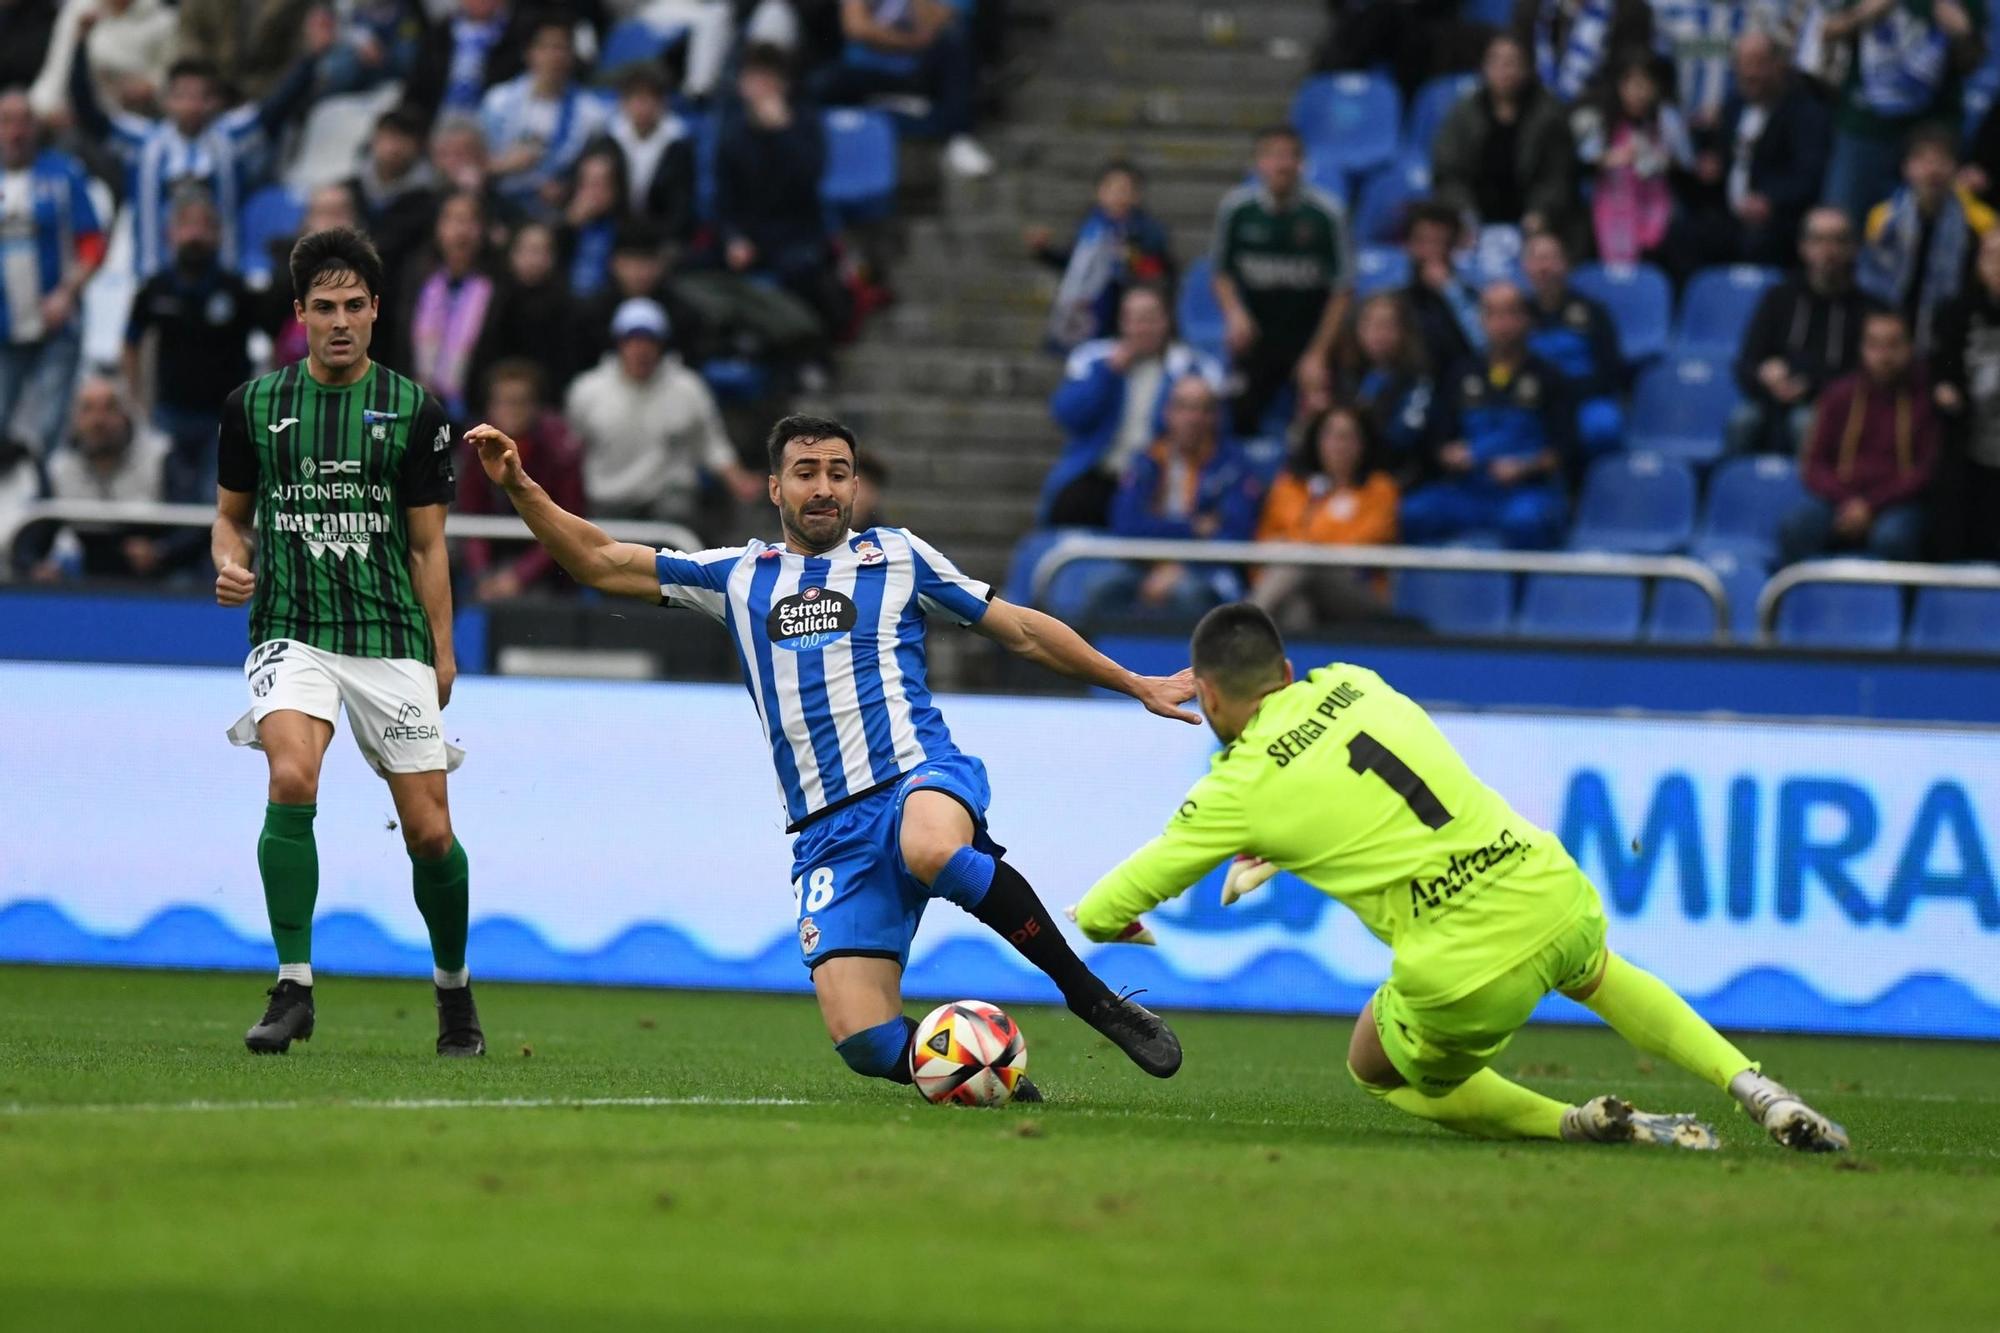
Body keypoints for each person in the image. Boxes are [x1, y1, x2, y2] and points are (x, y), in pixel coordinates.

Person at [465, 410, 1191, 1097]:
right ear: (775, 488)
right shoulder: (736, 576)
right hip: (827, 829)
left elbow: (1022, 630)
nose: (824, 487)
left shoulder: (898, 557)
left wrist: (1131, 681)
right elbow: (598, 561)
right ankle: (986, 1071)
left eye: (838, 472)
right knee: (865, 1042)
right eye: (806, 472)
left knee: (932, 845)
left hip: (916, 775)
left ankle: (1091, 996)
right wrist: (521, 486)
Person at [1070, 602, 1850, 1153]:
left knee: (1371, 1063)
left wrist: (1119, 925)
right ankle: (1753, 1085)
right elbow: (1356, 791)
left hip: (1461, 971)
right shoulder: (1357, 681)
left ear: (1205, 693)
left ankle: (1573, 1123)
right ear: (1287, 667)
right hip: (1546, 885)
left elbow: (1105, 907)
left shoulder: (1233, 791)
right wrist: (1277, 845)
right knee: (1602, 972)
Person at [211, 225, 480, 1058]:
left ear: (375, 311)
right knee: (291, 772)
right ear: (298, 313)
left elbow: (429, 545)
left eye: (352, 306)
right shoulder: (254, 406)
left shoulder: (414, 411)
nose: (338, 321)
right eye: (322, 306)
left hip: (389, 636)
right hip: (291, 628)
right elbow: (230, 519)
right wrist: (230, 565)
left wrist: (443, 646)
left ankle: (454, 994)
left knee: (430, 833)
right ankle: (293, 985)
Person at [69, 28, 327, 278]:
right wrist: (79, 46)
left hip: (223, 278)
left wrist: (312, 57)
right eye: (182, 96)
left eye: (201, 96)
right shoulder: (144, 143)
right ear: (166, 100)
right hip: (153, 279)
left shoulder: (230, 139)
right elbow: (90, 115)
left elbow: (276, 109)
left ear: (215, 102)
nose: (192, 105)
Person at [1400, 282, 1572, 548]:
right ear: (1481, 320)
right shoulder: (1461, 373)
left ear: (1526, 319)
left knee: (1526, 521)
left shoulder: (1549, 376)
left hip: (1525, 490)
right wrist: (1450, 454)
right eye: (1493, 314)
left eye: (1510, 313)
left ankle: (1523, 589)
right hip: (1470, 489)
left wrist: (1523, 468)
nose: (1502, 324)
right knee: (1414, 512)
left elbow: (1563, 451)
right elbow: (1440, 440)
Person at [563, 296, 760, 526]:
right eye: (632, 340)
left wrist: (738, 481)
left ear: (661, 344)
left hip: (668, 500)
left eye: (649, 341)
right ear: (619, 343)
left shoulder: (687, 387)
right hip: (607, 500)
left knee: (679, 515)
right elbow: (570, 449)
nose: (641, 349)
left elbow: (710, 444)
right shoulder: (587, 390)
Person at [1211, 125, 1352, 438]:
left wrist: (1317, 353)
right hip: (1257, 339)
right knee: (1234, 415)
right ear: (1258, 163)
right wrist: (1234, 313)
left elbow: (1343, 289)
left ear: (1302, 163)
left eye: (1291, 156)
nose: (1282, 164)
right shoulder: (1237, 210)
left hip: (1311, 338)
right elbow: (1221, 274)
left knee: (1326, 423)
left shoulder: (1326, 214)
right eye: (1274, 155)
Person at [1043, 285, 1222, 527]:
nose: (1143, 329)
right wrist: (1107, 374)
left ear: (1166, 321)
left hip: (1158, 480)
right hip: (1102, 474)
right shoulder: (1095, 359)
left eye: (1150, 319)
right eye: (1135, 320)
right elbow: (1067, 415)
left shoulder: (1190, 369)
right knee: (1069, 509)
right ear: (1122, 323)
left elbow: (1207, 429)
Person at [122, 187, 257, 504]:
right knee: (169, 500)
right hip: (169, 414)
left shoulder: (235, 289)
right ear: (171, 234)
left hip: (223, 420)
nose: (195, 234)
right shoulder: (155, 289)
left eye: (204, 225)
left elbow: (268, 342)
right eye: (186, 225)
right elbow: (131, 342)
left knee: (215, 502)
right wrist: (136, 400)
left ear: (219, 234)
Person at [1097, 375, 1264, 619]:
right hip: (1144, 565)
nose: (1192, 418)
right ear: (1168, 413)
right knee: (1101, 590)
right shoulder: (1148, 460)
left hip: (1204, 570)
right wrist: (1193, 528)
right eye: (1183, 407)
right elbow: (1126, 525)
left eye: (1203, 409)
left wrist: (1181, 565)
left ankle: (1192, 659)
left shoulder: (1234, 467)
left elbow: (1233, 535)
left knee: (1189, 594)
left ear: (1215, 417)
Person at [1779, 307, 1938, 563]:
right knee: (1797, 525)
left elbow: (1924, 471)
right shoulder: (1839, 395)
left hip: (1896, 503)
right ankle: (1797, 602)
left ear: (1909, 348)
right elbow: (1813, 464)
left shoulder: (1924, 400)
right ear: (1862, 349)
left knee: (1893, 537)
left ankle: (1895, 603)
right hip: (1840, 499)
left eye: (1893, 345)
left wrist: (1870, 505)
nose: (1884, 356)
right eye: (1875, 345)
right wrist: (1849, 502)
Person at [1671, 27, 1833, 274]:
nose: (1749, 73)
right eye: (1742, 64)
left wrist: (1770, 200)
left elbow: (1809, 173)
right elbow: (1723, 158)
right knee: (1683, 234)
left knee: (1758, 243)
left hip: (1776, 221)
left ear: (1778, 65)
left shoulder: (1805, 112)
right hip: (1728, 215)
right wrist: (1711, 163)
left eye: (1758, 64)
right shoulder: (1733, 107)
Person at [713, 43, 846, 339]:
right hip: (751, 237)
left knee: (803, 270)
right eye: (753, 79)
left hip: (795, 234)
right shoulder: (732, 134)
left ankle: (806, 344)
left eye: (767, 79)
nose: (760, 88)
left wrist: (783, 132)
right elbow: (724, 201)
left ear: (783, 85)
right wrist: (733, 238)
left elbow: (809, 179)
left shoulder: (805, 124)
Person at [0, 90, 105, 456]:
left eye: (23, 121)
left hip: (57, 324)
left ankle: (46, 501)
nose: (15, 131)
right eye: (6, 121)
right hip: (4, 327)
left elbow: (92, 244)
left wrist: (68, 292)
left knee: (49, 430)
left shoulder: (63, 174)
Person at [1819, 0, 1987, 224]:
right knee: (1841, 220)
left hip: (1932, 129)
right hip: (1865, 124)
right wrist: (1863, 13)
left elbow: (1973, 62)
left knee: (1933, 226)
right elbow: (1826, 31)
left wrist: (1961, 34)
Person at [1730, 208, 1876, 455]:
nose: (1828, 251)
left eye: (1837, 241)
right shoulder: (1779, 297)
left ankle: (1812, 493)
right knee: (1742, 421)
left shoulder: (1867, 308)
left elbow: (1865, 376)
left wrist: (1811, 386)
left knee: (1805, 423)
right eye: (1818, 240)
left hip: (1832, 404)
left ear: (1853, 248)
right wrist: (1763, 375)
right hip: (1772, 399)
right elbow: (1746, 361)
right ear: (1803, 247)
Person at [1250, 405, 1401, 630]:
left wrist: (1300, 545)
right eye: (1330, 435)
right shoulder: (1290, 487)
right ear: (1317, 441)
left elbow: (1357, 549)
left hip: (1356, 591)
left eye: (1347, 437)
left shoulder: (1380, 490)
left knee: (1303, 558)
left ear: (1363, 443)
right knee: (1295, 611)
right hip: (1293, 585)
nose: (1338, 446)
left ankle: (1240, 626)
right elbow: (1264, 546)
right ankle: (1301, 662)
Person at [810, 0, 995, 179]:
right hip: (865, 71)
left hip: (919, 73)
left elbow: (929, 30)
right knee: (821, 83)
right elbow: (857, 27)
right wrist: (909, 43)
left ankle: (958, 135)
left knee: (955, 44)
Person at [1431, 34, 1580, 251]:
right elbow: (1447, 172)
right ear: (1484, 67)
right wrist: (1463, 215)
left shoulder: (1549, 116)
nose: (1504, 71)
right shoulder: (1464, 113)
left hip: (1534, 221)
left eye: (1511, 63)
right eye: (1496, 62)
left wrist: (1540, 213)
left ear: (1527, 68)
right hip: (1473, 219)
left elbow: (1558, 177)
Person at [1858, 124, 1995, 354]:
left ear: (1955, 168)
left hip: (1952, 330)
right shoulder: (1883, 219)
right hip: (1893, 324)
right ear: (1906, 168)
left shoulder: (1982, 223)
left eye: (1941, 161)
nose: (1932, 170)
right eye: (1922, 161)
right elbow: (1872, 284)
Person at [456, 358, 583, 600]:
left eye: (519, 402)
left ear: (536, 406)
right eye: (503, 402)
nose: (511, 410)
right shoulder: (474, 445)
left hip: (545, 560)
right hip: (492, 559)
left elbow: (568, 524)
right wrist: (482, 574)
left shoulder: (560, 449)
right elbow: (469, 516)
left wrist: (519, 576)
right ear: (490, 407)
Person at [1029, 160, 1176, 354]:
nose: (1117, 196)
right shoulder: (1090, 229)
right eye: (1111, 189)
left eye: (1124, 189)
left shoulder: (1146, 230)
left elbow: (1157, 267)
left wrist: (1130, 257)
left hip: (1121, 305)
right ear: (1099, 192)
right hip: (1086, 307)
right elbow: (1072, 263)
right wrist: (1043, 251)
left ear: (1136, 195)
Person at [32, 374, 169, 581]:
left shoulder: (160, 458)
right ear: (75, 419)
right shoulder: (58, 469)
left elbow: (192, 531)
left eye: (109, 408)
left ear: (126, 415)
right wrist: (35, 567)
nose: (98, 420)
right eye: (88, 409)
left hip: (154, 576)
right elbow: (32, 538)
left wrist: (162, 551)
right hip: (83, 575)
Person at [386, 189, 502, 420]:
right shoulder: (415, 277)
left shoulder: (499, 284)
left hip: (474, 411)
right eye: (453, 219)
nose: (462, 230)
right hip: (414, 400)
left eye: (471, 220)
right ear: (438, 227)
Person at [478, 14, 609, 214]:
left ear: (572, 56)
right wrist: (503, 166)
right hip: (497, 205)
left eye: (561, 48)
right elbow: (472, 165)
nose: (553, 56)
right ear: (529, 53)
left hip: (557, 212)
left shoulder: (592, 114)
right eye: (545, 47)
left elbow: (593, 172)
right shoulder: (497, 101)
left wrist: (568, 189)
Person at [1574, 49, 1693, 266]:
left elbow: (1688, 165)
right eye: (1630, 84)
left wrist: (1664, 162)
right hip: (1609, 207)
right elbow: (1582, 162)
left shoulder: (1668, 119)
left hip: (1657, 209)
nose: (1638, 93)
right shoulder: (1599, 118)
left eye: (1644, 84)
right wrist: (1609, 159)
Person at [1928, 227, 2000, 560]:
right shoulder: (1955, 313)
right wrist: (1943, 390)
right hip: (1967, 445)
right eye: (1992, 256)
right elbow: (1937, 372)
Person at [1521, 232, 1625, 459]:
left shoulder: (1593, 312)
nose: (1544, 268)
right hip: (1535, 402)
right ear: (1525, 267)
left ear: (1565, 264)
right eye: (1537, 259)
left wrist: (1566, 395)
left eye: (1551, 258)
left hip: (1585, 400)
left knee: (1603, 426)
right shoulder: (1518, 316)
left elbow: (1611, 370)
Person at [1320, 291, 1441, 485]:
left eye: (1387, 325)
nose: (1379, 333)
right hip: (1346, 477)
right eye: (1371, 324)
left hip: (1399, 477)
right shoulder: (1345, 375)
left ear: (1403, 331)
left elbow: (1403, 438)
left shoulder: (1418, 378)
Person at [345, 105, 444, 308]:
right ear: (374, 140)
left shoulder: (429, 202)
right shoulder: (348, 190)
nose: (395, 147)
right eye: (389, 136)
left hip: (397, 298)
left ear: (418, 147)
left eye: (404, 138)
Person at [27, 0, 177, 131]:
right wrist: (46, 109)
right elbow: (58, 66)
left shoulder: (163, 20)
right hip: (84, 117)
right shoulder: (79, 9)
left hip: (140, 118)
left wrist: (150, 86)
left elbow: (170, 75)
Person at [601, 63, 694, 239]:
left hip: (663, 236)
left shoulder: (680, 144)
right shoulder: (608, 140)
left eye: (650, 98)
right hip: (616, 235)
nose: (642, 107)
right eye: (635, 98)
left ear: (663, 102)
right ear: (623, 102)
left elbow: (681, 206)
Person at [1396, 201, 1482, 385]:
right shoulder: (1396, 301)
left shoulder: (1468, 297)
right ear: (1409, 245)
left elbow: (1484, 346)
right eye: (1423, 242)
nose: (1431, 252)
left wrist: (1451, 292)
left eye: (1440, 243)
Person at [1510, 0, 1653, 104]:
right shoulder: (1531, 8)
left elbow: (1629, 79)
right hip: (1538, 113)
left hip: (1601, 115)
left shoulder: (1630, 11)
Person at [407, 0, 529, 122]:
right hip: (438, 120)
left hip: (490, 123)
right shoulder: (440, 33)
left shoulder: (517, 35)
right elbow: (419, 86)